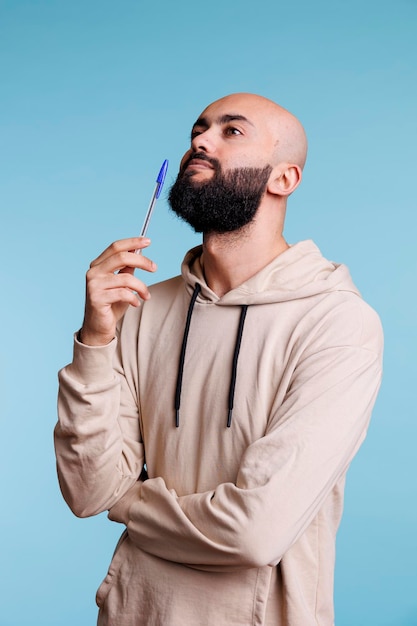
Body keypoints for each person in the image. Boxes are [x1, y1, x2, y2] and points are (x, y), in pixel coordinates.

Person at [54, 93, 383, 626]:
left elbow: (256, 532)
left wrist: (131, 505)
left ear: (284, 179)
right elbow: (90, 491)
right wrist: (95, 338)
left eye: (232, 132)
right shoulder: (138, 309)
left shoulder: (337, 323)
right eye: (197, 131)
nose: (199, 143)